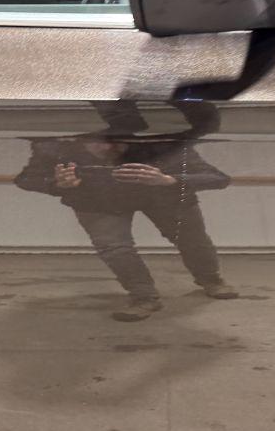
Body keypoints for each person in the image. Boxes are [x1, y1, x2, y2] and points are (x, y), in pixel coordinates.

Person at [15, 130, 237, 321]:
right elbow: (26, 179)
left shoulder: (163, 144)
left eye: (116, 142)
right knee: (114, 248)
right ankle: (144, 297)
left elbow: (218, 178)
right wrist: (56, 184)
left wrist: (170, 180)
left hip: (162, 197)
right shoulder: (55, 146)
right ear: (79, 140)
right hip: (96, 200)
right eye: (96, 142)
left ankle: (210, 279)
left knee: (192, 239)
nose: (106, 147)